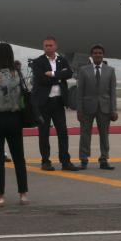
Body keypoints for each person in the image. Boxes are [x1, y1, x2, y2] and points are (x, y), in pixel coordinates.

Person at [0, 43, 30, 207]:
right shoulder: (17, 73)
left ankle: (1, 196)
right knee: (19, 158)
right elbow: (24, 93)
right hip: (15, 118)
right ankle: (23, 194)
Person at [30, 36, 77, 171]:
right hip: (44, 103)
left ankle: (65, 161)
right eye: (46, 45)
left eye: (51, 45)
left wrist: (52, 74)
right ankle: (45, 161)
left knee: (63, 132)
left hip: (58, 102)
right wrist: (59, 76)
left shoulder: (62, 60)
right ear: (43, 47)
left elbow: (69, 74)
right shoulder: (38, 62)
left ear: (55, 46)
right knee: (44, 133)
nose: (48, 48)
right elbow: (41, 79)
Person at [73, 44, 118, 170]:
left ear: (103, 55)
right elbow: (80, 92)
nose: (98, 55)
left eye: (100, 53)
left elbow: (113, 92)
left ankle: (104, 159)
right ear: (91, 55)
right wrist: (79, 110)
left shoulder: (110, 70)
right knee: (85, 134)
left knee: (104, 135)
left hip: (104, 108)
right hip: (87, 108)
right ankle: (83, 160)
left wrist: (113, 110)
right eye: (95, 53)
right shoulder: (83, 70)